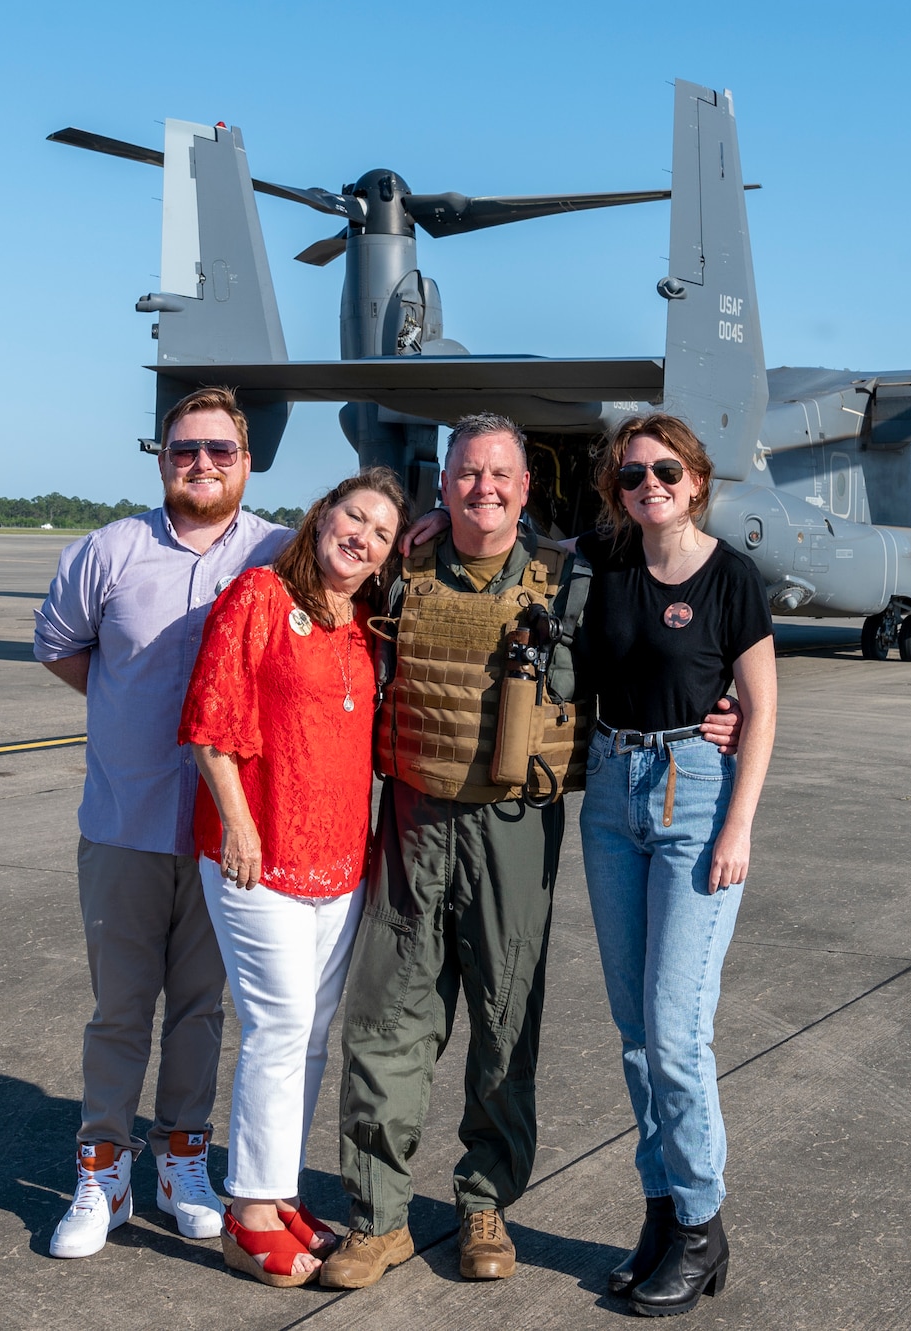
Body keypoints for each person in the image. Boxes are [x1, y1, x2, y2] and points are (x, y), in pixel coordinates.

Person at [323, 414, 744, 1290]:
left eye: (501, 474)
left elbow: (655, 651)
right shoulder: (397, 568)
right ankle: (378, 1216)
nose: (484, 487)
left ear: (525, 486)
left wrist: (723, 711)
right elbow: (319, 588)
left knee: (505, 1021)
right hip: (413, 816)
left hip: (516, 826)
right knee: (389, 1018)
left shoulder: (572, 575)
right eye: (467, 473)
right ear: (442, 486)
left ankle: (485, 1202)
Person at [34, 386, 292, 1259]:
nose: (203, 464)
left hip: (232, 834)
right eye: (186, 449)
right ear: (161, 457)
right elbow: (66, 648)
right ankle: (103, 1167)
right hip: (125, 818)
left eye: (220, 450)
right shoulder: (107, 552)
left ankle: (184, 1155)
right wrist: (128, 712)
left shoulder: (281, 554)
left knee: (202, 1009)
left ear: (246, 460)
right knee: (119, 1007)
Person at [180, 469, 404, 1286]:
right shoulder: (259, 596)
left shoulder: (361, 627)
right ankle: (247, 1213)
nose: (363, 536)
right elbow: (212, 721)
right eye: (354, 516)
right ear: (321, 516)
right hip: (260, 856)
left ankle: (277, 1193)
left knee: (310, 1032)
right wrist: (238, 820)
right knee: (277, 1026)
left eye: (381, 532)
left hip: (339, 862)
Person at [576, 414, 777, 1317]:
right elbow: (509, 534)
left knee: (675, 1027)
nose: (647, 484)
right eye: (631, 475)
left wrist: (739, 824)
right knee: (630, 1027)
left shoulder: (731, 576)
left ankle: (702, 1223)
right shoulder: (608, 558)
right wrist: (422, 520)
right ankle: (661, 1213)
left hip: (695, 794)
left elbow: (764, 710)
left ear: (695, 479)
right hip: (612, 792)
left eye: (664, 470)